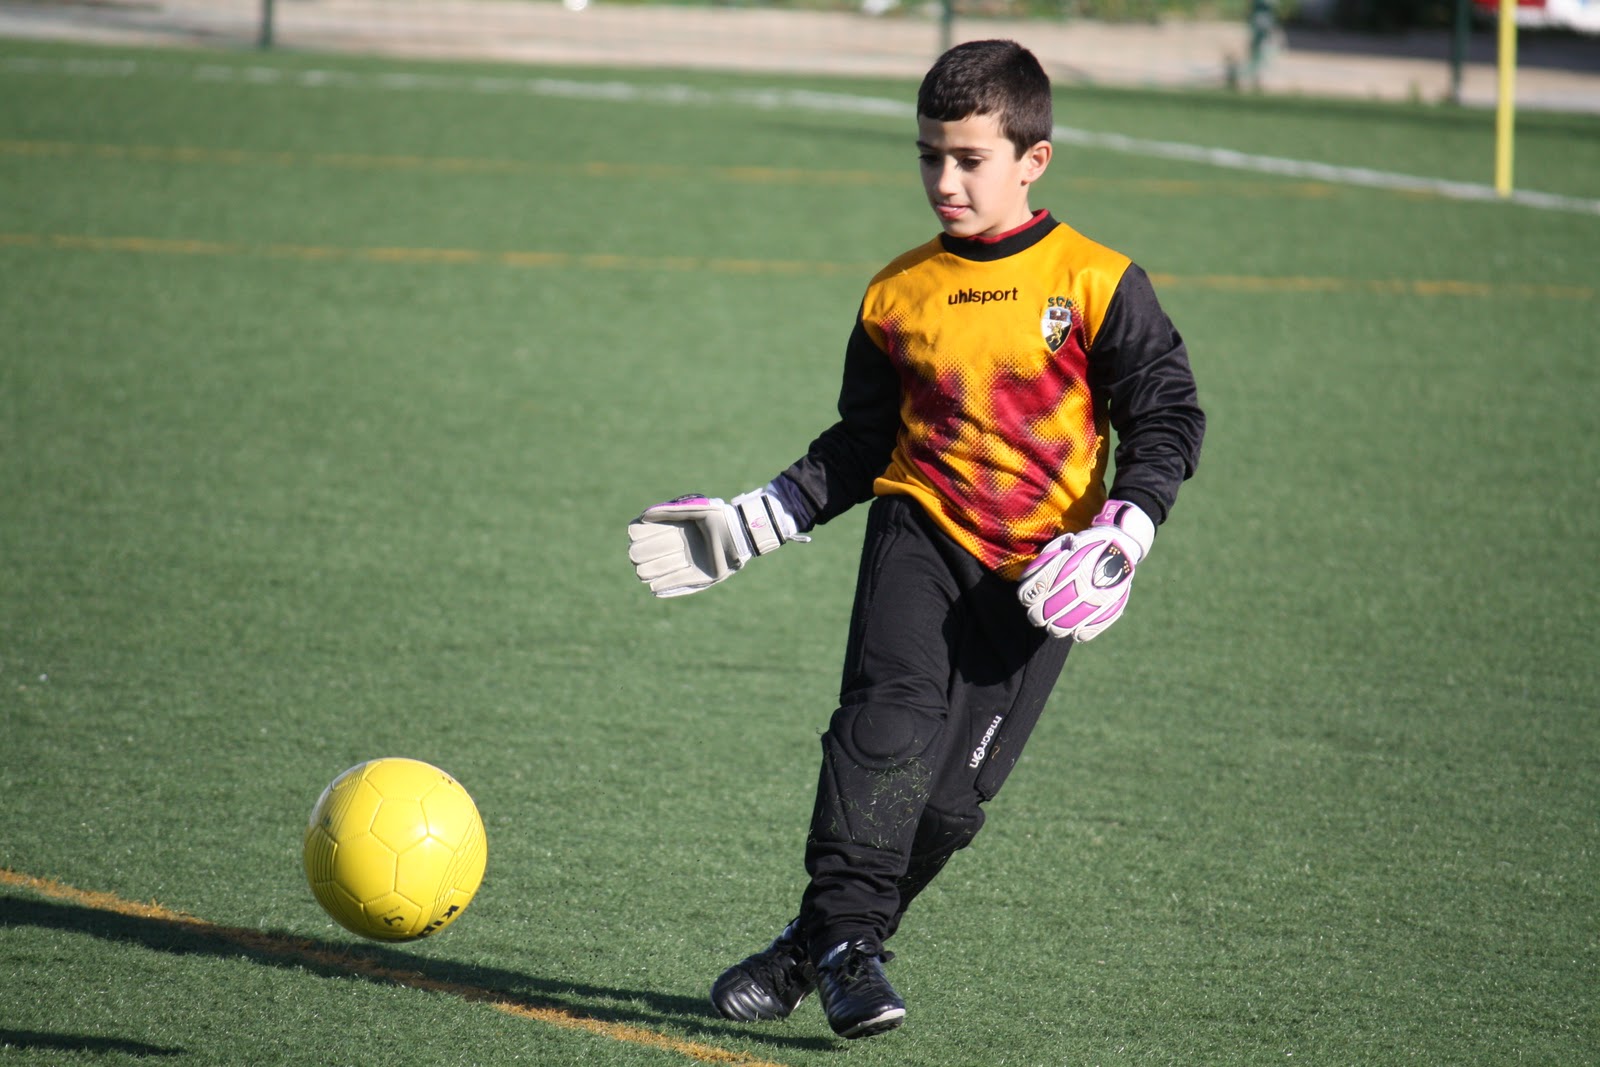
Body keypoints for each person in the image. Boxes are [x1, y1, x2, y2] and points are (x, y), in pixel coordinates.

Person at [626, 38, 1204, 1040]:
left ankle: (809, 945)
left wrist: (1127, 530)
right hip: (919, 526)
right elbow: (861, 443)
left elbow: (1168, 415)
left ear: (1032, 159)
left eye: (969, 159)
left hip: (1043, 576)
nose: (944, 179)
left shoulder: (1098, 280)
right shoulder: (897, 293)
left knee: (945, 808)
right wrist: (755, 520)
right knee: (883, 726)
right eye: (929, 155)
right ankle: (851, 949)